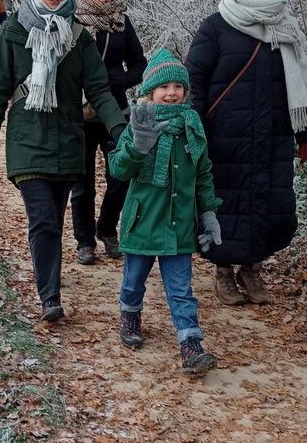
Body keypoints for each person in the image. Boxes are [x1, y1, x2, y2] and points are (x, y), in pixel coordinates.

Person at [0, 0, 127, 322]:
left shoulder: (78, 36)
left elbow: (100, 90)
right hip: (27, 140)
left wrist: (119, 126)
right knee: (42, 219)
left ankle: (50, 281)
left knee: (54, 220)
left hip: (68, 141)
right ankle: (50, 297)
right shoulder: (14, 31)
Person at [185, 0, 307, 306]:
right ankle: (224, 272)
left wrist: (305, 131)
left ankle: (251, 268)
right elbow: (194, 77)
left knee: (269, 201)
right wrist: (195, 127)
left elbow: (298, 83)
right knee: (225, 202)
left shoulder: (286, 28)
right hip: (224, 137)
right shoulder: (217, 25)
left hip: (273, 135)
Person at [108, 49, 222, 375]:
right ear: (150, 92)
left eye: (177, 86)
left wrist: (209, 213)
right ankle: (130, 314)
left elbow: (202, 174)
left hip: (178, 225)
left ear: (185, 91)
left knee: (182, 289)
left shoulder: (192, 127)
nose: (171, 92)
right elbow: (118, 169)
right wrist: (137, 146)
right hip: (142, 221)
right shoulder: (139, 123)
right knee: (133, 280)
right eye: (163, 87)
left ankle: (190, 345)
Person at [71, 0, 147, 265]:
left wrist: (119, 80)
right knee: (82, 180)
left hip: (116, 109)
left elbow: (139, 63)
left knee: (122, 174)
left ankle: (107, 228)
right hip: (79, 111)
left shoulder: (121, 22)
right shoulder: (71, 21)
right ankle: (84, 241)